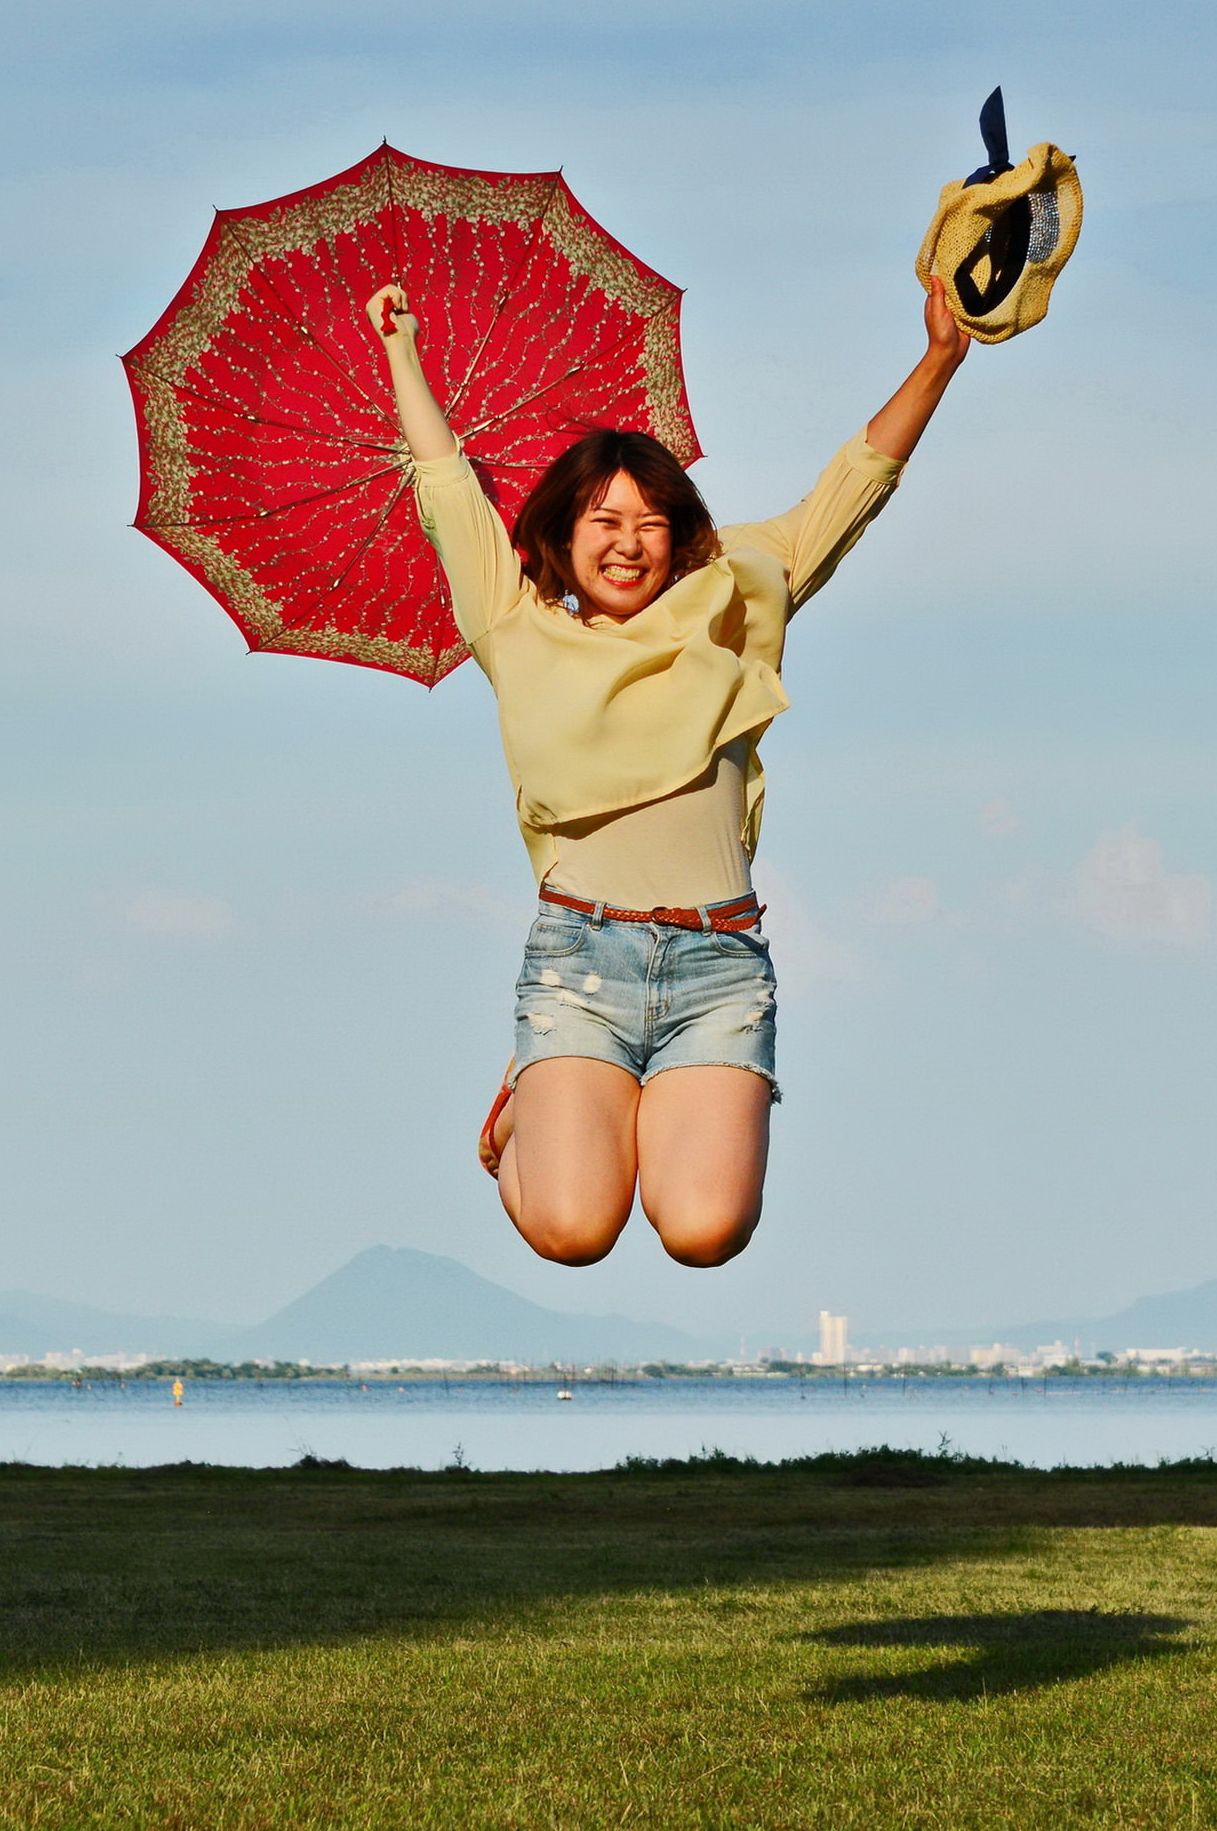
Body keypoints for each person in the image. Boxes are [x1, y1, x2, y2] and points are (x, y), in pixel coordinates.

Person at [366, 271, 971, 1272]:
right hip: (578, 963)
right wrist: (403, 353)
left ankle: (601, 1116)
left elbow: (855, 483)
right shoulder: (518, 628)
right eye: (603, 521)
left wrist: (940, 357)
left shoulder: (733, 599)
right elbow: (447, 488)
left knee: (703, 1232)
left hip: (717, 967)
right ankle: (528, 1111)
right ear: (562, 537)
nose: (628, 542)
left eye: (649, 520)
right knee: (573, 1231)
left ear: (678, 532)